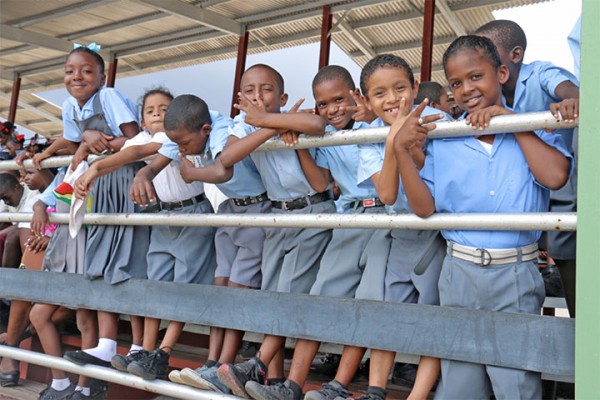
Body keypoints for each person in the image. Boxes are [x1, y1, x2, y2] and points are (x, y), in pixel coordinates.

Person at [395, 35, 571, 399]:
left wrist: (514, 123)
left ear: (502, 72)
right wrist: (400, 149)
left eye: (476, 77)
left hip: (516, 273)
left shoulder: (535, 124)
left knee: (515, 381)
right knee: (460, 381)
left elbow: (555, 177)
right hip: (458, 272)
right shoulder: (445, 138)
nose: (466, 89)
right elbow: (425, 208)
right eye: (456, 83)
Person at [242, 65, 390, 400]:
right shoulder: (323, 137)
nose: (333, 109)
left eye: (340, 99)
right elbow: (321, 182)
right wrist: (301, 146)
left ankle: (339, 386)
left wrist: (266, 120)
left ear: (356, 95)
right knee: (319, 298)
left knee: (369, 301)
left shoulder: (377, 122)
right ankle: (292, 385)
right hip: (349, 217)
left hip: (388, 215)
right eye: (323, 104)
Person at [74, 88, 219, 381]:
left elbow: (142, 153)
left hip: (193, 214)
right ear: (141, 122)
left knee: (185, 285)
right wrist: (92, 164)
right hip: (163, 217)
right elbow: (131, 150)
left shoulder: (174, 137)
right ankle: (145, 348)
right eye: (150, 110)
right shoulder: (144, 139)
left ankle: (162, 353)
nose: (157, 114)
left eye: (164, 109)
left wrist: (96, 168)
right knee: (156, 283)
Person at [209, 63, 334, 399]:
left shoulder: (293, 118)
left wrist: (270, 121)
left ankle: (262, 367)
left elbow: (315, 125)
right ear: (239, 99)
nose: (257, 96)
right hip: (277, 218)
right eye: (249, 91)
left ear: (283, 96)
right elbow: (228, 158)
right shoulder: (241, 126)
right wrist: (267, 126)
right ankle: (274, 381)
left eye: (266, 90)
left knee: (291, 295)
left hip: (312, 211)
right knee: (271, 297)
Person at [336, 54, 447, 400]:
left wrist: (409, 141)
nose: (392, 100)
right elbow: (385, 193)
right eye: (379, 94)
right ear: (367, 101)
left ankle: (417, 395)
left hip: (439, 236)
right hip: (400, 234)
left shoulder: (439, 120)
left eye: (400, 88)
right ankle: (375, 390)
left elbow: (437, 182)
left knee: (434, 320)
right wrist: (393, 141)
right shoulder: (369, 137)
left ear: (415, 88)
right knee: (387, 315)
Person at [40, 44, 149, 373]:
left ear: (101, 77)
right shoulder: (68, 105)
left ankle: (141, 346)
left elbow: (136, 139)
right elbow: (75, 147)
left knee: (129, 258)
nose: (77, 77)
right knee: (101, 258)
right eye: (70, 71)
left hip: (125, 180)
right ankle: (107, 343)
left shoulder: (110, 97)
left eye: (87, 71)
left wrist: (91, 140)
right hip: (98, 185)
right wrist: (84, 139)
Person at [163, 98, 272, 392]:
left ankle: (225, 365)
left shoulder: (222, 129)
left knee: (238, 289)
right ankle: (212, 362)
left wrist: (193, 174)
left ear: (205, 130)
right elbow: (163, 149)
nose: (182, 150)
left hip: (256, 209)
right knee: (221, 283)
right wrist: (145, 172)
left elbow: (224, 170)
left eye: (184, 144)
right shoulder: (192, 128)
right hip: (229, 209)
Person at [475, 19, 580, 319]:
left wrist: (570, 101)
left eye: (487, 51)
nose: (478, 57)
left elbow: (571, 91)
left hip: (562, 197)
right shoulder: (484, 93)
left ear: (515, 56)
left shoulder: (540, 73)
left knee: (572, 279)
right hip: (519, 203)